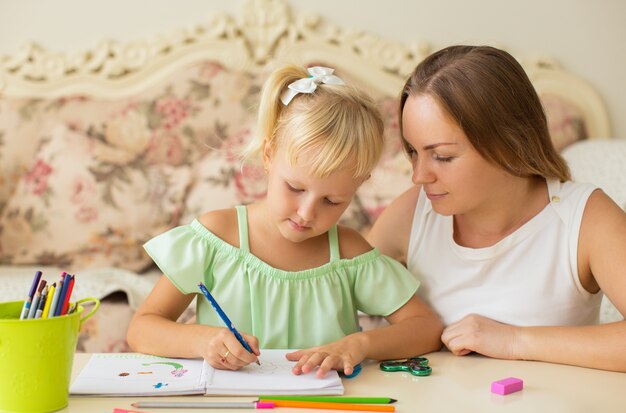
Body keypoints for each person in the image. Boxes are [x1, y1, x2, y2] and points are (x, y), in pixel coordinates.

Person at [127, 65, 443, 377]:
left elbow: (425, 327)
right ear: (268, 155)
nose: (306, 213)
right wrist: (202, 340)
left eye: (332, 201)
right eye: (295, 188)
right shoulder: (215, 238)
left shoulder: (348, 254)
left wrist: (360, 344)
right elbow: (141, 329)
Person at [367, 45, 626, 372]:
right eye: (413, 152)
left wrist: (516, 341)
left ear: (508, 144)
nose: (419, 176)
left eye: (443, 156)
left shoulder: (585, 218)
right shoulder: (413, 214)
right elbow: (329, 289)